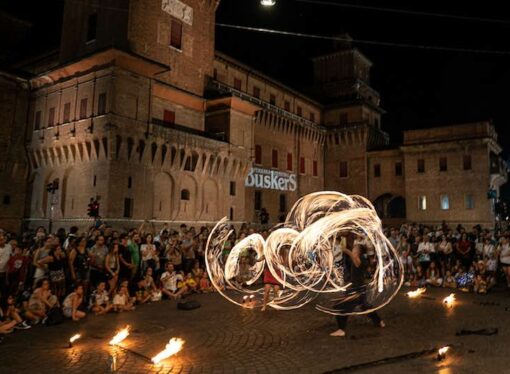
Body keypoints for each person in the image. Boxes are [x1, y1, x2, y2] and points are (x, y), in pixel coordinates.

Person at [330, 238, 385, 337]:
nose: (353, 250)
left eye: (355, 249)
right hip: (358, 288)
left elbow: (357, 263)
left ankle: (341, 330)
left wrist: (347, 251)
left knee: (339, 307)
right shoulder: (358, 258)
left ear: (359, 252)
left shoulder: (362, 260)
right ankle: (379, 321)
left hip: (356, 289)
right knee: (365, 306)